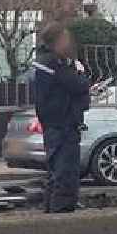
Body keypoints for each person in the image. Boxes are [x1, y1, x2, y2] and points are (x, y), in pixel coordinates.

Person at [33, 22, 90, 213]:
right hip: (62, 125)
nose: (69, 43)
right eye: (65, 39)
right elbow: (77, 85)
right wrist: (81, 74)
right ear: (57, 41)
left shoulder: (46, 62)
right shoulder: (54, 64)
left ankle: (51, 211)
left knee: (55, 172)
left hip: (56, 124)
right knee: (65, 173)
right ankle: (61, 214)